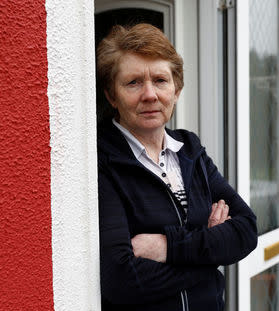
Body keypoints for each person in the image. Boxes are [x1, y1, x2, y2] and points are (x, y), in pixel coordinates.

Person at [96, 23, 257, 311]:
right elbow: (122, 281)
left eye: (160, 80)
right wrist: (211, 252)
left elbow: (246, 231)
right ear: (111, 96)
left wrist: (167, 247)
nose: (149, 94)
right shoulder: (102, 161)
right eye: (133, 82)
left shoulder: (190, 150)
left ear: (177, 89)